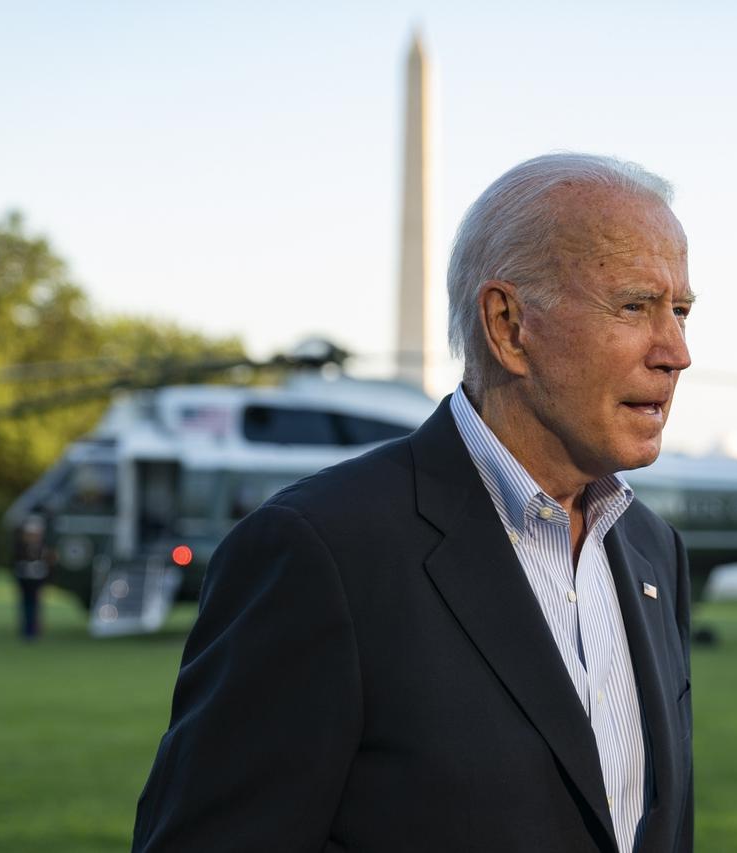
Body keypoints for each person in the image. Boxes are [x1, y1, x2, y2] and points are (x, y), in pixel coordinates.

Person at [133, 153, 696, 852]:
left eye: (680, 310)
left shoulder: (652, 552)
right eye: (636, 305)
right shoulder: (321, 552)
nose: (676, 350)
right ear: (509, 324)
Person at [12, 513, 51, 640]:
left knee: (35, 605)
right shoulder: (20, 547)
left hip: (37, 581)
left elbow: (47, 565)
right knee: (26, 604)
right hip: (24, 580)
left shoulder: (43, 548)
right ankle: (27, 630)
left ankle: (34, 629)